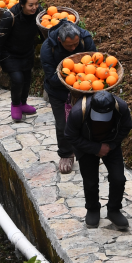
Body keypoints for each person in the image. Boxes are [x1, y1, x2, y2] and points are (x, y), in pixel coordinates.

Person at [65, 90, 132, 230]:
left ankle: (114, 210)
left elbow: (126, 127)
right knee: (90, 181)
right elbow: (70, 135)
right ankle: (92, 208)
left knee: (118, 179)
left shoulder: (121, 108)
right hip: (86, 144)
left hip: (111, 143)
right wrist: (96, 148)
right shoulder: (78, 112)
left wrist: (111, 145)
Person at [40, 21, 96, 174]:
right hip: (58, 91)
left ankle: (88, 150)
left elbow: (95, 62)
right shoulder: (48, 48)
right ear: (60, 40)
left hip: (84, 88)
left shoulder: (85, 39)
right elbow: (52, 78)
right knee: (62, 124)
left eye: (76, 44)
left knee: (87, 120)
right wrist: (74, 79)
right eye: (69, 46)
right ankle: (66, 154)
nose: (73, 48)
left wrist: (83, 82)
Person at [0, 0, 43, 121]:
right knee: (18, 79)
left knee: (27, 79)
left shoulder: (39, 13)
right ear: (22, 4)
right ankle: (16, 104)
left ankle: (23, 103)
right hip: (10, 54)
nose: (34, 7)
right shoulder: (10, 16)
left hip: (27, 52)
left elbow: (43, 31)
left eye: (36, 4)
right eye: (31, 5)